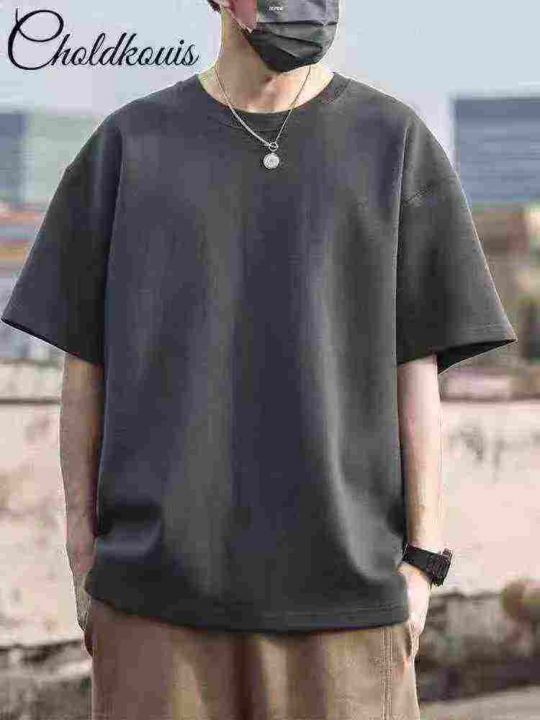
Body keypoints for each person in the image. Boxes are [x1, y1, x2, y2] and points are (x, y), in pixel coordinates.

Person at [1, 1, 518, 718]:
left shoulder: (393, 142)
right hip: (155, 613)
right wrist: (82, 557)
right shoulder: (129, 146)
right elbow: (84, 366)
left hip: (348, 610)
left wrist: (423, 563)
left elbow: (417, 370)